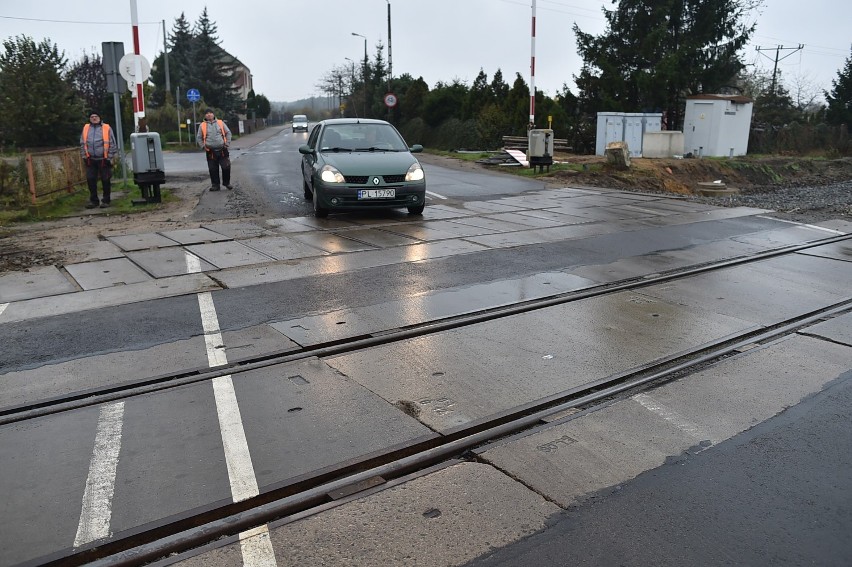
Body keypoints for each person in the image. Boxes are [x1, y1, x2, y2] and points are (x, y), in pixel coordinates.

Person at [79, 111, 118, 208]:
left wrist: (109, 157)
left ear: (100, 118)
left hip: (104, 159)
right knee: (91, 179)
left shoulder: (106, 128)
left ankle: (106, 200)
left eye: (96, 116)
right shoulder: (86, 128)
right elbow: (82, 143)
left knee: (105, 180)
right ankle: (94, 201)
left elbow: (112, 144)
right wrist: (84, 156)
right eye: (92, 116)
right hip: (90, 159)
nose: (94, 118)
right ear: (89, 119)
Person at [196, 109, 233, 191]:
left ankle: (227, 183)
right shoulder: (202, 125)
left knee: (226, 167)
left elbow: (228, 133)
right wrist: (203, 146)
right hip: (210, 151)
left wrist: (227, 143)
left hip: (222, 149)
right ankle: (215, 185)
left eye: (210, 113)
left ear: (213, 114)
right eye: (207, 113)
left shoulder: (220, 123)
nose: (209, 115)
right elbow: (199, 137)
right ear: (205, 116)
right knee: (213, 169)